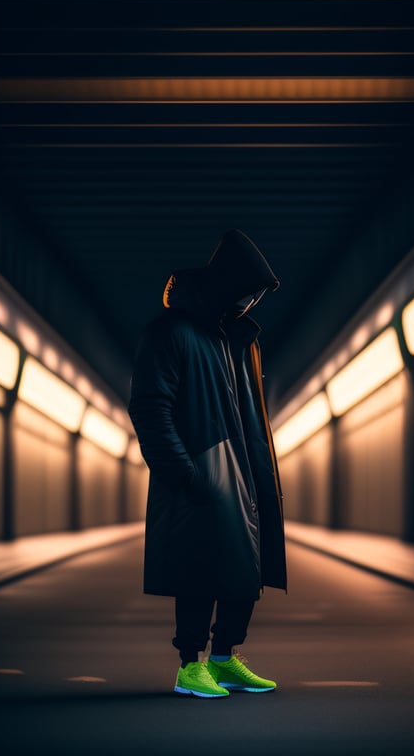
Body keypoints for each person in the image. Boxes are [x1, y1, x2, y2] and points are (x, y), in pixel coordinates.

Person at [128, 228, 287, 699]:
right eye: (248, 292)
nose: (252, 303)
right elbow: (151, 408)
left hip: (244, 469)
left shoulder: (239, 339)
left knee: (244, 566)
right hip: (203, 469)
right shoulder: (170, 333)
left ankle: (223, 659)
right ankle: (189, 665)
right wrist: (184, 472)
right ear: (226, 285)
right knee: (200, 566)